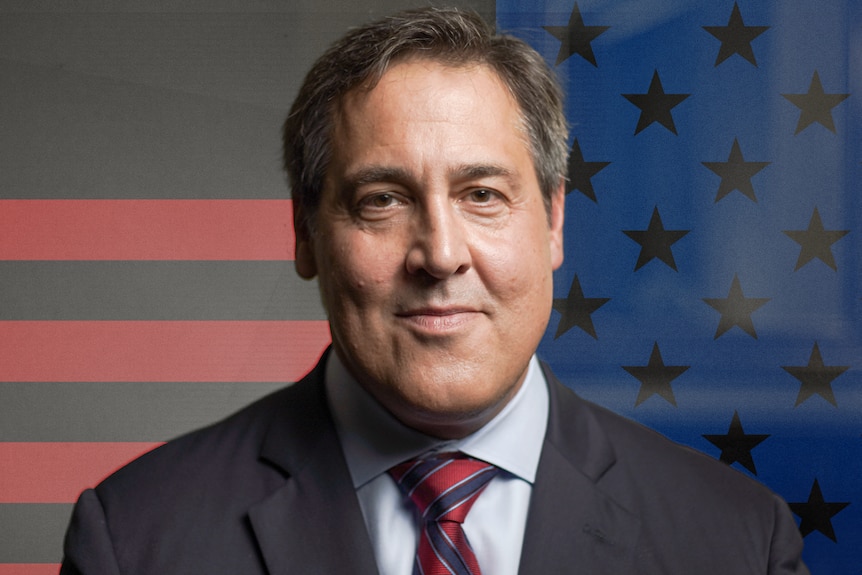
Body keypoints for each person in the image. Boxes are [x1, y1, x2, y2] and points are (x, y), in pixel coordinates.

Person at [60, 7, 808, 574]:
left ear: (552, 224)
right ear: (304, 235)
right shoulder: (135, 538)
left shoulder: (738, 542)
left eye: (482, 194)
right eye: (381, 200)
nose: (441, 254)